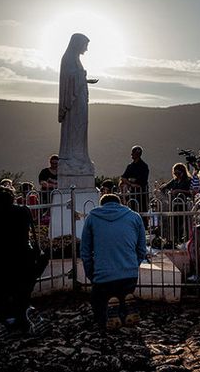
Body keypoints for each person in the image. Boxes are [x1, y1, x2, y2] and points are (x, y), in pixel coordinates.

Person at [0, 187, 44, 337]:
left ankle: (5, 319)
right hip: (23, 256)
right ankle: (24, 315)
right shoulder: (23, 211)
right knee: (21, 289)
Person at [80, 193, 147, 330]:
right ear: (120, 203)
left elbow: (85, 251)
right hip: (129, 276)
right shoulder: (135, 217)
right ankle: (124, 309)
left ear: (101, 205)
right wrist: (133, 266)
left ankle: (108, 313)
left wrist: (91, 274)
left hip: (103, 276)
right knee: (122, 295)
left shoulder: (92, 218)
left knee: (98, 304)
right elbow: (141, 249)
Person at [58, 33, 97, 177]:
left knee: (81, 126)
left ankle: (80, 155)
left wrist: (85, 79)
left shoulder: (76, 59)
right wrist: (82, 75)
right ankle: (72, 156)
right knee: (74, 127)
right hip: (73, 102)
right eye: (85, 45)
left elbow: (75, 77)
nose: (86, 49)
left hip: (79, 99)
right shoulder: (68, 58)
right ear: (77, 44)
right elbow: (68, 78)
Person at [120, 145, 149, 212]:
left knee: (142, 211)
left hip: (142, 193)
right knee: (132, 210)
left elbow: (143, 181)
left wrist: (129, 181)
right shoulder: (130, 166)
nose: (131, 154)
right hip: (132, 193)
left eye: (133, 153)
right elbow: (123, 178)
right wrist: (131, 183)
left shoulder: (144, 166)